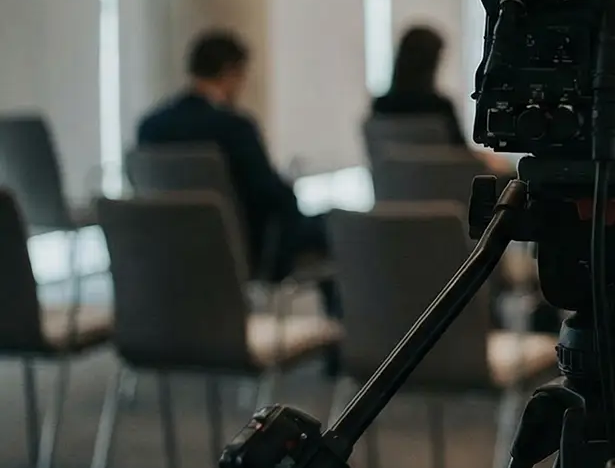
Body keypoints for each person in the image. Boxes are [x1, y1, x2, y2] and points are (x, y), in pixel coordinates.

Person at [136, 31, 329, 281]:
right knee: (338, 228)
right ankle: (341, 318)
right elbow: (267, 193)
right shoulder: (233, 127)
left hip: (172, 247)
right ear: (231, 73)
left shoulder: (150, 128)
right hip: (242, 246)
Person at [371, 25, 515, 176]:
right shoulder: (439, 107)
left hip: (396, 189)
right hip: (446, 188)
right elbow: (460, 155)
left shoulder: (380, 107)